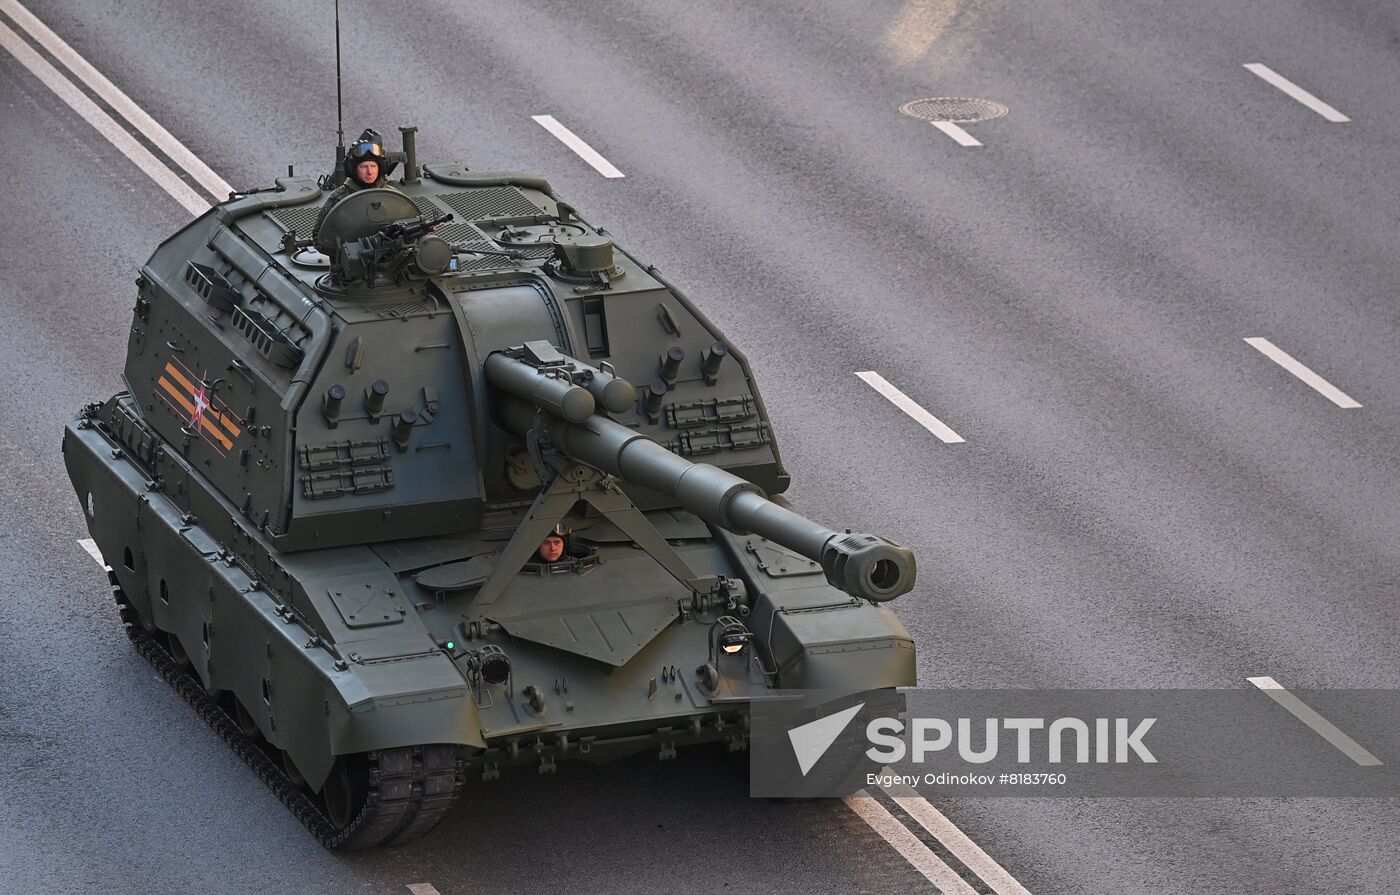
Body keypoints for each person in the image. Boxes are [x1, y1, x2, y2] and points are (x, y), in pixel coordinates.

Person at [313, 129, 402, 241]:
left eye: (373, 166)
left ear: (380, 168)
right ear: (353, 169)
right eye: (364, 167)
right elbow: (318, 237)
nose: (370, 172)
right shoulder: (338, 198)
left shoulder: (392, 196)